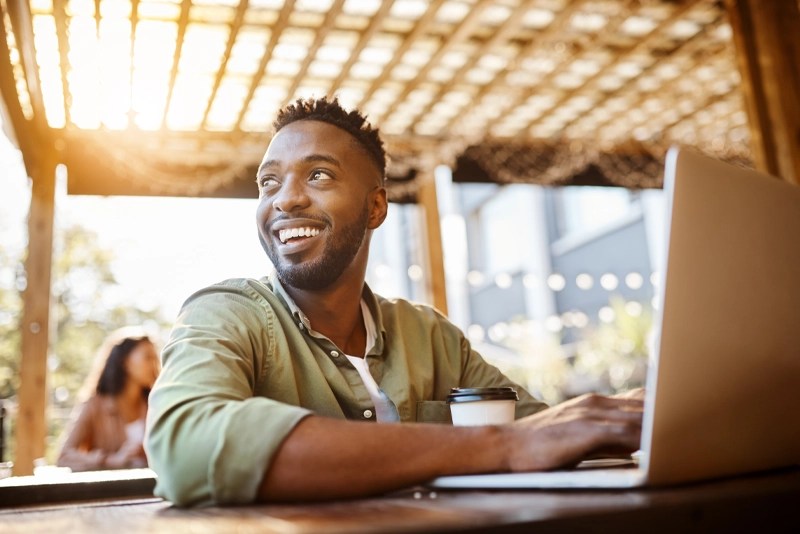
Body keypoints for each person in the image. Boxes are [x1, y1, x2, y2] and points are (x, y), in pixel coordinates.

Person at [145, 97, 643, 506]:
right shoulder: (226, 312)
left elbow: (539, 430)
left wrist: (629, 416)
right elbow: (183, 443)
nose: (285, 199)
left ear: (376, 206)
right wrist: (497, 445)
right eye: (269, 182)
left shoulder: (429, 335)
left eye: (318, 175)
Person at [57, 328, 160, 471]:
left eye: (155, 358)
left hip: (153, 489)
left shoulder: (157, 404)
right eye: (148, 357)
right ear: (125, 362)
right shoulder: (94, 405)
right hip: (112, 491)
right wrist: (110, 460)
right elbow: (64, 456)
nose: (155, 364)